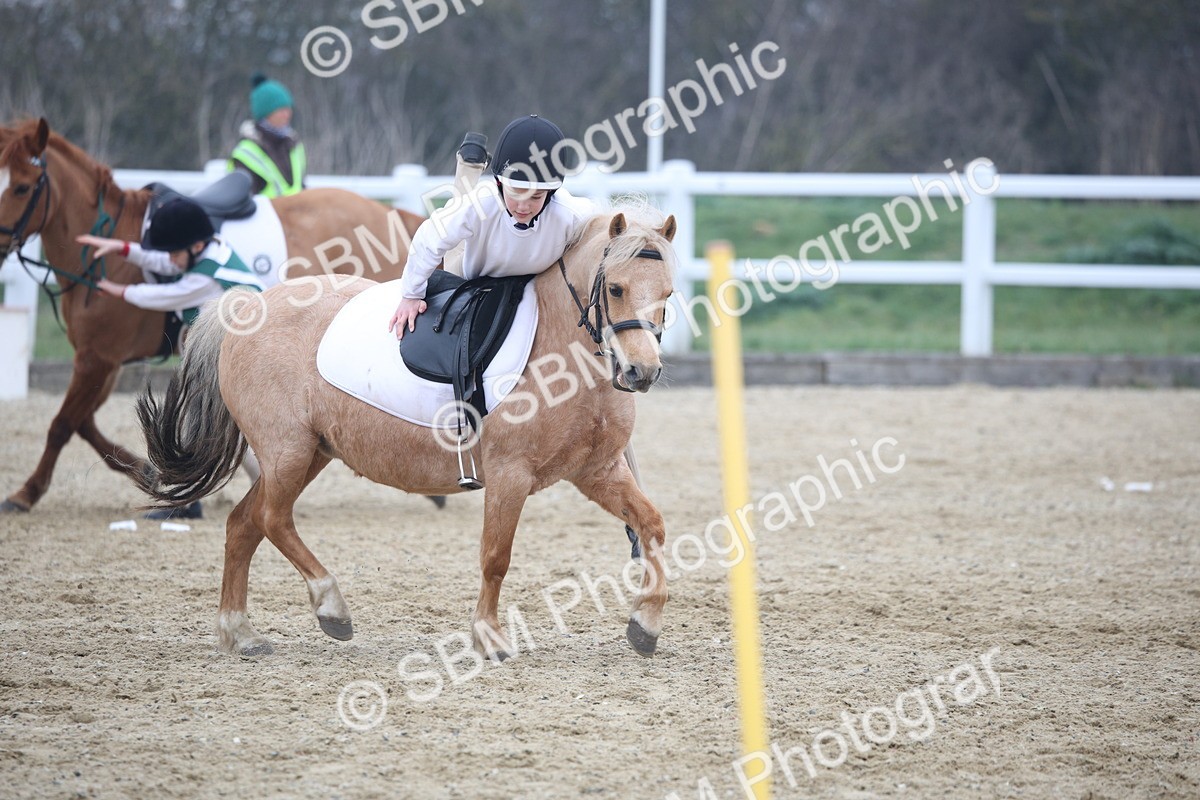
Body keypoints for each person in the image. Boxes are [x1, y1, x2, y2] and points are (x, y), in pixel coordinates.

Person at [77, 196, 265, 519]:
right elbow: (167, 262)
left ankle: (194, 501)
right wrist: (123, 249)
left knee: (198, 425)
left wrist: (118, 290)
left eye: (176, 251)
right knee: (224, 427)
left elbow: (164, 295)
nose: (171, 259)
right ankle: (258, 489)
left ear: (194, 246)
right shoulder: (209, 251)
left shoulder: (206, 276)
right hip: (236, 348)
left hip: (241, 352)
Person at [388, 114, 594, 337]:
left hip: (537, 280)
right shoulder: (480, 203)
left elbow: (609, 238)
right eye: (515, 193)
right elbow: (429, 238)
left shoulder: (573, 213)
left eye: (536, 197)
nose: (523, 207)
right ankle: (469, 166)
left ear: (551, 193)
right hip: (472, 272)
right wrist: (412, 295)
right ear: (499, 183)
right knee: (461, 214)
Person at [228, 73, 306, 197]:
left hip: (296, 215)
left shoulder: (293, 145)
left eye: (288, 108)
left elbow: (300, 186)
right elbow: (243, 199)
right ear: (266, 113)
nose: (287, 114)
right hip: (265, 215)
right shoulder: (246, 152)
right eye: (281, 110)